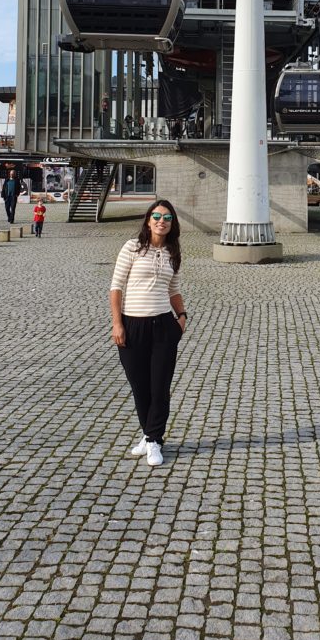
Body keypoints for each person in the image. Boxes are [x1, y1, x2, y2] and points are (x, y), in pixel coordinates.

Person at [110, 199, 186, 468]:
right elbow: (116, 287)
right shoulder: (131, 247)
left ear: (172, 223)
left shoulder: (173, 252)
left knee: (160, 387)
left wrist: (182, 317)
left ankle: (154, 440)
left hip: (163, 326)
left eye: (166, 217)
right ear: (147, 219)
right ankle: (148, 433)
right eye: (156, 216)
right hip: (132, 325)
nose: (161, 221)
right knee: (140, 386)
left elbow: (173, 289)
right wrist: (117, 324)